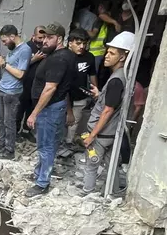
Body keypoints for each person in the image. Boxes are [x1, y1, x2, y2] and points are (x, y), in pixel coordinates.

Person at [25, 22, 75, 197]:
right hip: (54, 107)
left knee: (46, 146)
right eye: (44, 37)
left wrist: (34, 113)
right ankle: (39, 173)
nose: (45, 41)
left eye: (49, 38)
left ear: (59, 39)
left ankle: (42, 183)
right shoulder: (62, 55)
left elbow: (50, 88)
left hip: (50, 108)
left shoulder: (58, 59)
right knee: (47, 143)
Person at [82, 32, 134, 195]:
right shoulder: (123, 77)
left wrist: (92, 135)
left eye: (112, 53)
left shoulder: (116, 80)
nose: (106, 56)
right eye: (108, 51)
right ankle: (114, 191)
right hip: (112, 133)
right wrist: (100, 95)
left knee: (92, 163)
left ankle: (87, 192)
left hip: (102, 134)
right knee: (111, 164)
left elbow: (108, 110)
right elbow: (112, 102)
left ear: (123, 57)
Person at [0, 25, 31, 160]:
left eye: (5, 40)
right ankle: (2, 143)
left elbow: (20, 74)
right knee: (2, 119)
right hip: (4, 89)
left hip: (12, 92)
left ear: (12, 37)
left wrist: (3, 64)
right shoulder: (14, 49)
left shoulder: (25, 50)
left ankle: (9, 150)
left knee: (9, 122)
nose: (4, 44)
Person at [65, 28, 97, 146]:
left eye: (84, 43)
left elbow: (92, 74)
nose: (82, 46)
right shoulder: (64, 56)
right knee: (60, 122)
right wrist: (69, 111)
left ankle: (68, 144)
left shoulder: (89, 57)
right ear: (70, 43)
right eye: (78, 43)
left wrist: (95, 91)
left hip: (80, 97)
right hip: (62, 97)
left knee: (74, 123)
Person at [17, 25, 46, 140]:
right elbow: (19, 66)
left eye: (44, 37)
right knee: (20, 109)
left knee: (31, 109)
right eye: (39, 37)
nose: (42, 40)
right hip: (24, 84)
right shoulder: (26, 48)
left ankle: (26, 131)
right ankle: (15, 132)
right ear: (33, 36)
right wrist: (34, 59)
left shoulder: (45, 48)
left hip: (37, 86)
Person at [88, 0, 115, 74]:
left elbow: (93, 34)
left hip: (94, 52)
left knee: (91, 73)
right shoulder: (109, 19)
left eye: (101, 6)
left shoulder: (100, 19)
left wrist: (81, 29)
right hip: (101, 51)